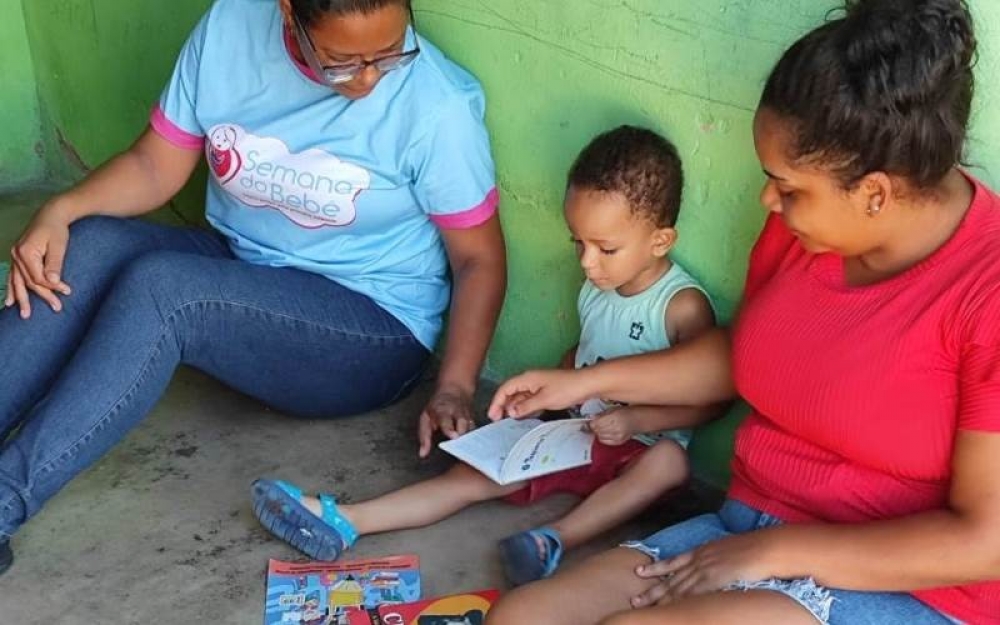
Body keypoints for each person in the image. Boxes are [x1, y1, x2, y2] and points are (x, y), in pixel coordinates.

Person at [484, 1, 1000, 623]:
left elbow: (985, 541)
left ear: (874, 193)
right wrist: (582, 382)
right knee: (519, 616)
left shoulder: (985, 290)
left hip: (903, 581)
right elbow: (745, 359)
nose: (767, 200)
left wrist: (774, 550)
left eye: (787, 188)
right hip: (746, 528)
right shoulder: (806, 230)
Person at [0, 0, 506, 576]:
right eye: (342, 62)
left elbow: (478, 259)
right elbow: (155, 167)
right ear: (288, 14)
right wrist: (58, 211)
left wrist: (456, 387)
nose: (367, 80)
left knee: (168, 290)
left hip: (370, 327)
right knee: (86, 243)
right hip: (249, 267)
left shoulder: (438, 105)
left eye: (389, 54)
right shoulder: (229, 29)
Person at [250, 126, 717, 586]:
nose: (586, 262)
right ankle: (348, 518)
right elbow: (585, 356)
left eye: (605, 248)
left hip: (640, 449)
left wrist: (637, 423)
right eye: (578, 242)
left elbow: (708, 399)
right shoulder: (599, 285)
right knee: (477, 474)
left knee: (670, 463)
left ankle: (552, 541)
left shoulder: (681, 306)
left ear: (660, 241)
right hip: (577, 431)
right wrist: (543, 394)